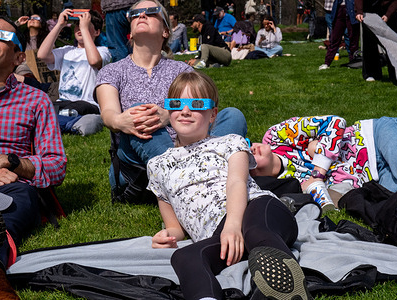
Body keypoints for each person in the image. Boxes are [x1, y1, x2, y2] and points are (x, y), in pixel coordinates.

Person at [148, 72, 311, 300]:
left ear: (212, 114)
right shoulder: (158, 165)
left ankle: (284, 293)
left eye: (196, 104)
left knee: (257, 232)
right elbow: (175, 225)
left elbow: (236, 182)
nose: (185, 111)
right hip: (220, 237)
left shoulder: (230, 142)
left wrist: (233, 225)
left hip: (257, 209)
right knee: (184, 257)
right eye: (176, 103)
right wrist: (167, 236)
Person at [95, 0, 246, 202]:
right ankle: (192, 181)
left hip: (186, 146)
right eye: (136, 14)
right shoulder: (112, 71)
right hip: (136, 167)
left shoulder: (181, 71)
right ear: (130, 30)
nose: (142, 15)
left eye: (150, 12)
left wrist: (169, 115)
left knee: (232, 115)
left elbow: (201, 111)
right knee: (139, 114)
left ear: (166, 30)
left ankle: (189, 174)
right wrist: (119, 121)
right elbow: (108, 113)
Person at [0, 16, 66, 268]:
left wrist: (8, 162)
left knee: (18, 201)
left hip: (8, 187)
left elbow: (56, 164)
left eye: (3, 36)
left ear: (19, 58)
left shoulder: (36, 101)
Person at [249, 116, 397, 207]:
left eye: (247, 145)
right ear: (253, 174)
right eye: (249, 156)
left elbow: (335, 122)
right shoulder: (288, 187)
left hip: (374, 138)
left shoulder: (275, 136)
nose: (253, 148)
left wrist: (318, 171)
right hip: (376, 176)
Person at [38, 9, 111, 118]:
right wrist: (59, 25)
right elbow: (42, 55)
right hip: (63, 101)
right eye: (77, 25)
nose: (80, 28)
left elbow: (94, 61)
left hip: (88, 103)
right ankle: (59, 115)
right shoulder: (67, 51)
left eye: (85, 24)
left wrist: (84, 28)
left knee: (78, 108)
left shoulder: (103, 51)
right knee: (42, 105)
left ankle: (57, 116)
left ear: (97, 32)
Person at [355, 0, 397, 82]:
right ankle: (371, 73)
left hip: (387, 9)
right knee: (369, 42)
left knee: (394, 43)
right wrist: (359, 11)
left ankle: (396, 73)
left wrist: (388, 14)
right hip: (369, 10)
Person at [318, 0, 359, 70]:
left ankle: (353, 61)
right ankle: (327, 62)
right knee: (335, 38)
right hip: (339, 8)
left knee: (353, 38)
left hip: (352, 8)